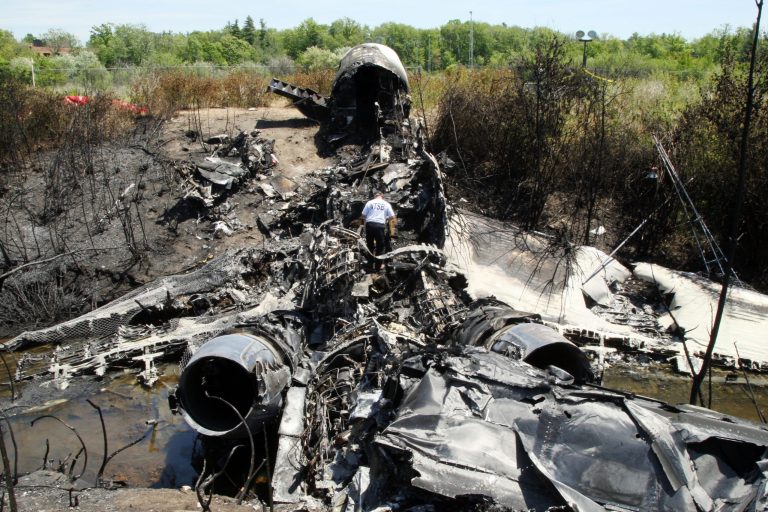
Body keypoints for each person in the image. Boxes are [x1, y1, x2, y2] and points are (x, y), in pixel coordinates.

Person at [360, 191, 396, 271]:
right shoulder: (386, 204)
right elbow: (392, 217)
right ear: (382, 197)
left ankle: (370, 263)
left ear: (375, 196)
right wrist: (386, 220)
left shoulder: (370, 202)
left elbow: (363, 215)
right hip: (380, 225)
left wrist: (363, 225)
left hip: (370, 224)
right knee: (380, 246)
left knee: (370, 244)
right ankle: (378, 266)